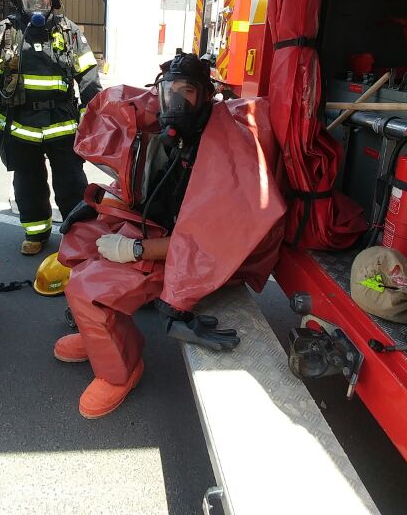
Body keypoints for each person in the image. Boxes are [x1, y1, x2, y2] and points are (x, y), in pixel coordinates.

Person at [54, 53, 287, 419]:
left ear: (207, 96)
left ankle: (120, 372)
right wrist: (98, 202)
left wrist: (134, 249)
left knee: (88, 290)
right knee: (79, 241)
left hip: (194, 257)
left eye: (186, 92)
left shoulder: (225, 157)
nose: (175, 103)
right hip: (167, 232)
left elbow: (207, 243)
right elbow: (141, 187)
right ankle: (97, 334)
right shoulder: (173, 139)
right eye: (169, 92)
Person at [0, 0, 101, 256]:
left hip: (63, 125)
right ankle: (36, 232)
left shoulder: (70, 33)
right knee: (28, 184)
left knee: (71, 182)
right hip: (19, 126)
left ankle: (76, 231)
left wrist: (91, 120)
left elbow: (90, 79)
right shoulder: (2, 34)